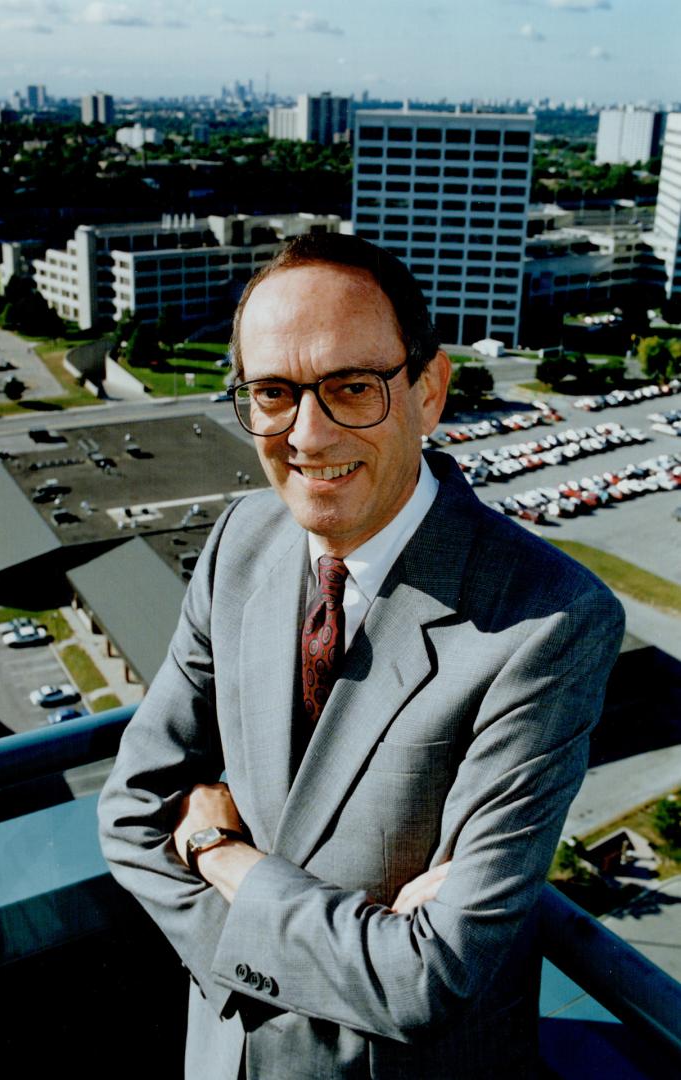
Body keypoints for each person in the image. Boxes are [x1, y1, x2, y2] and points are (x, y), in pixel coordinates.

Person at [98, 233, 625, 1079]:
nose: (306, 434)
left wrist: (218, 853)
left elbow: (431, 976)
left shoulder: (548, 623)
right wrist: (332, 953)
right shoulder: (242, 541)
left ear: (427, 390)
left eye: (352, 387)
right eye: (272, 393)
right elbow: (129, 812)